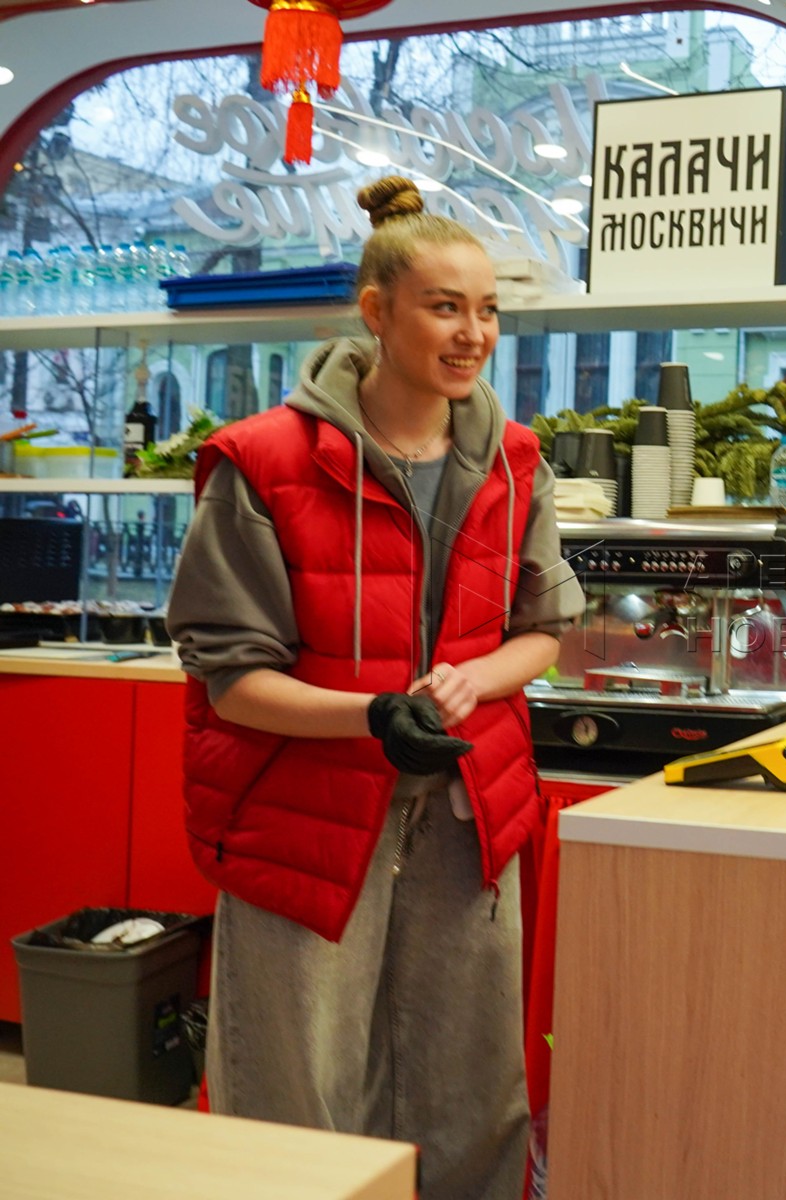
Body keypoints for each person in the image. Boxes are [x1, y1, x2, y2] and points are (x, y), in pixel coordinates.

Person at [166, 176, 582, 1200]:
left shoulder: (514, 462)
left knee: (469, 1087)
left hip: (467, 813)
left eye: (487, 310)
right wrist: (372, 716)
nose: (472, 334)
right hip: (301, 818)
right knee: (297, 1088)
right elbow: (230, 679)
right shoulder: (263, 462)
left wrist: (472, 680)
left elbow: (543, 632)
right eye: (444, 307)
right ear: (376, 312)